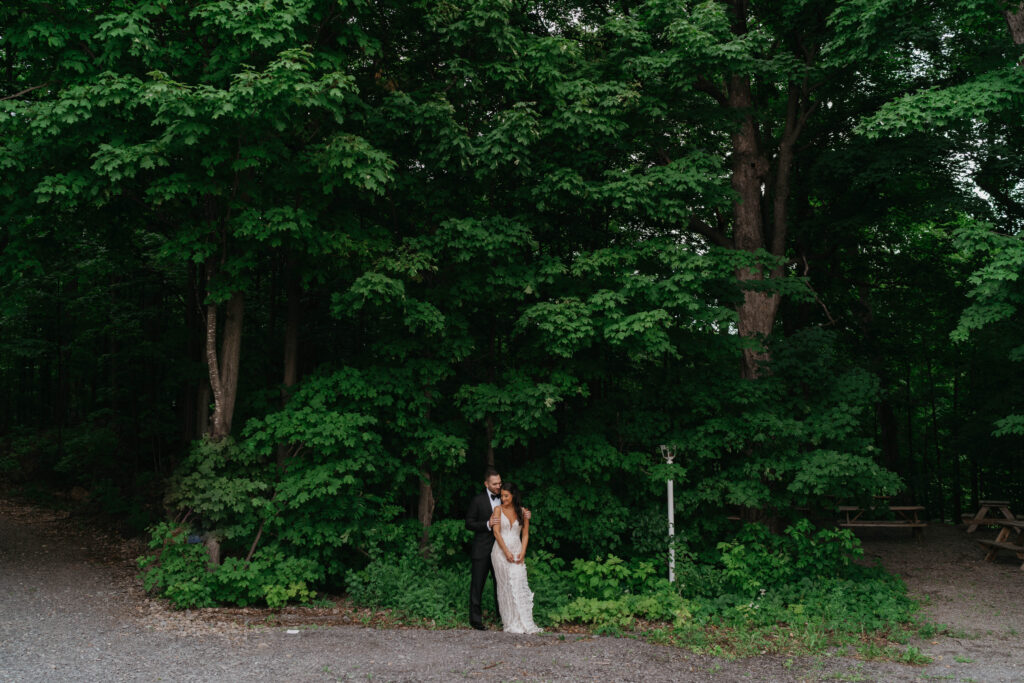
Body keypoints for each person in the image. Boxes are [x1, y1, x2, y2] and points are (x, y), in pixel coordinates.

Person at [464, 468, 529, 630]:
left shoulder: (505, 498)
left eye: (500, 483)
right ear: (486, 484)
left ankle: (504, 616)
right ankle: (476, 620)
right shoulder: (478, 501)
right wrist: (487, 524)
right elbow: (469, 523)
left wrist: (526, 514)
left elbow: (517, 511)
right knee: (477, 584)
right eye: (495, 484)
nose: (498, 486)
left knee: (504, 583)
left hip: (503, 550)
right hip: (483, 549)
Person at [488, 482, 542, 634]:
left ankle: (523, 621)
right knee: (506, 586)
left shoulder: (523, 511)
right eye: (502, 496)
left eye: (506, 496)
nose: (503, 498)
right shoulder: (497, 510)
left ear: (513, 496)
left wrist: (523, 552)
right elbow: (496, 533)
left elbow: (525, 534)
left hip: (518, 550)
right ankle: (510, 622)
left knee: (518, 583)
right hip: (500, 552)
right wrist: (506, 552)